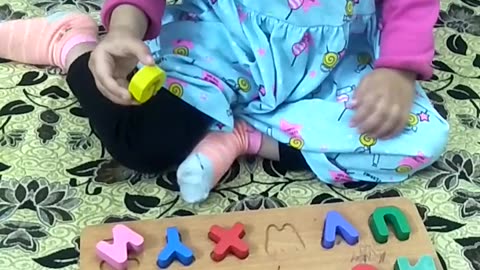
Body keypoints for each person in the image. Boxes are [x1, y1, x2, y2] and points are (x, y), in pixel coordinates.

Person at [0, 0, 449, 203]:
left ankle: (243, 134)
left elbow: (410, 6)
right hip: (225, 39)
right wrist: (122, 31)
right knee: (143, 142)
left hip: (337, 60)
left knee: (419, 139)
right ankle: (69, 42)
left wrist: (398, 69)